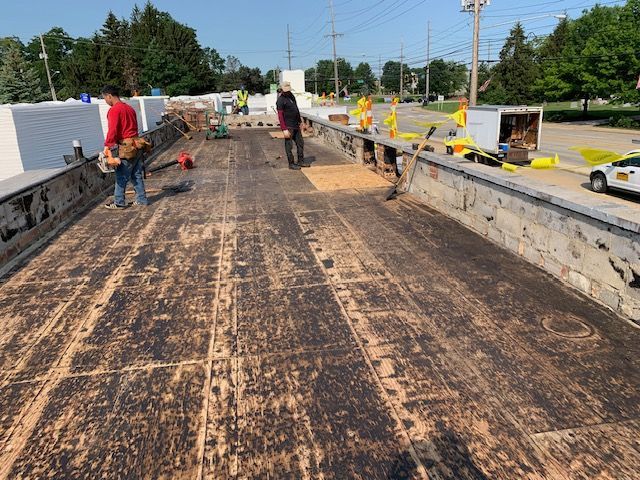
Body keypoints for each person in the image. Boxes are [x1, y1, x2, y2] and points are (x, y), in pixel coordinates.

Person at [101, 84, 149, 209]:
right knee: (136, 174)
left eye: (105, 98)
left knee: (121, 176)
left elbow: (113, 131)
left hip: (126, 148)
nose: (105, 101)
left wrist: (107, 146)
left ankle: (119, 202)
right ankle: (142, 200)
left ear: (109, 96)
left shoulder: (115, 110)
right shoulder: (129, 108)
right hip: (137, 144)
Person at [276, 81, 309, 170]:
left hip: (295, 124)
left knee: (300, 143)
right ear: (282, 90)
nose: (287, 92)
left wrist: (300, 121)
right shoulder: (280, 100)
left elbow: (296, 109)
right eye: (285, 90)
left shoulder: (291, 96)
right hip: (288, 126)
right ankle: (291, 163)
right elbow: (280, 116)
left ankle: (300, 161)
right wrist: (284, 129)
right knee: (289, 145)